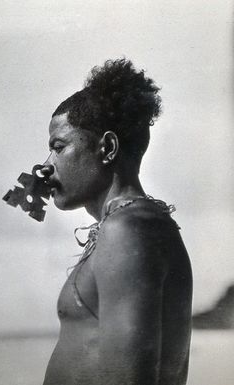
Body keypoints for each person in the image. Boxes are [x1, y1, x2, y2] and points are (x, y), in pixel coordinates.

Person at [41, 59, 192, 385]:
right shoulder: (134, 225)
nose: (45, 166)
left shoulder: (128, 231)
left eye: (58, 147)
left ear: (107, 147)